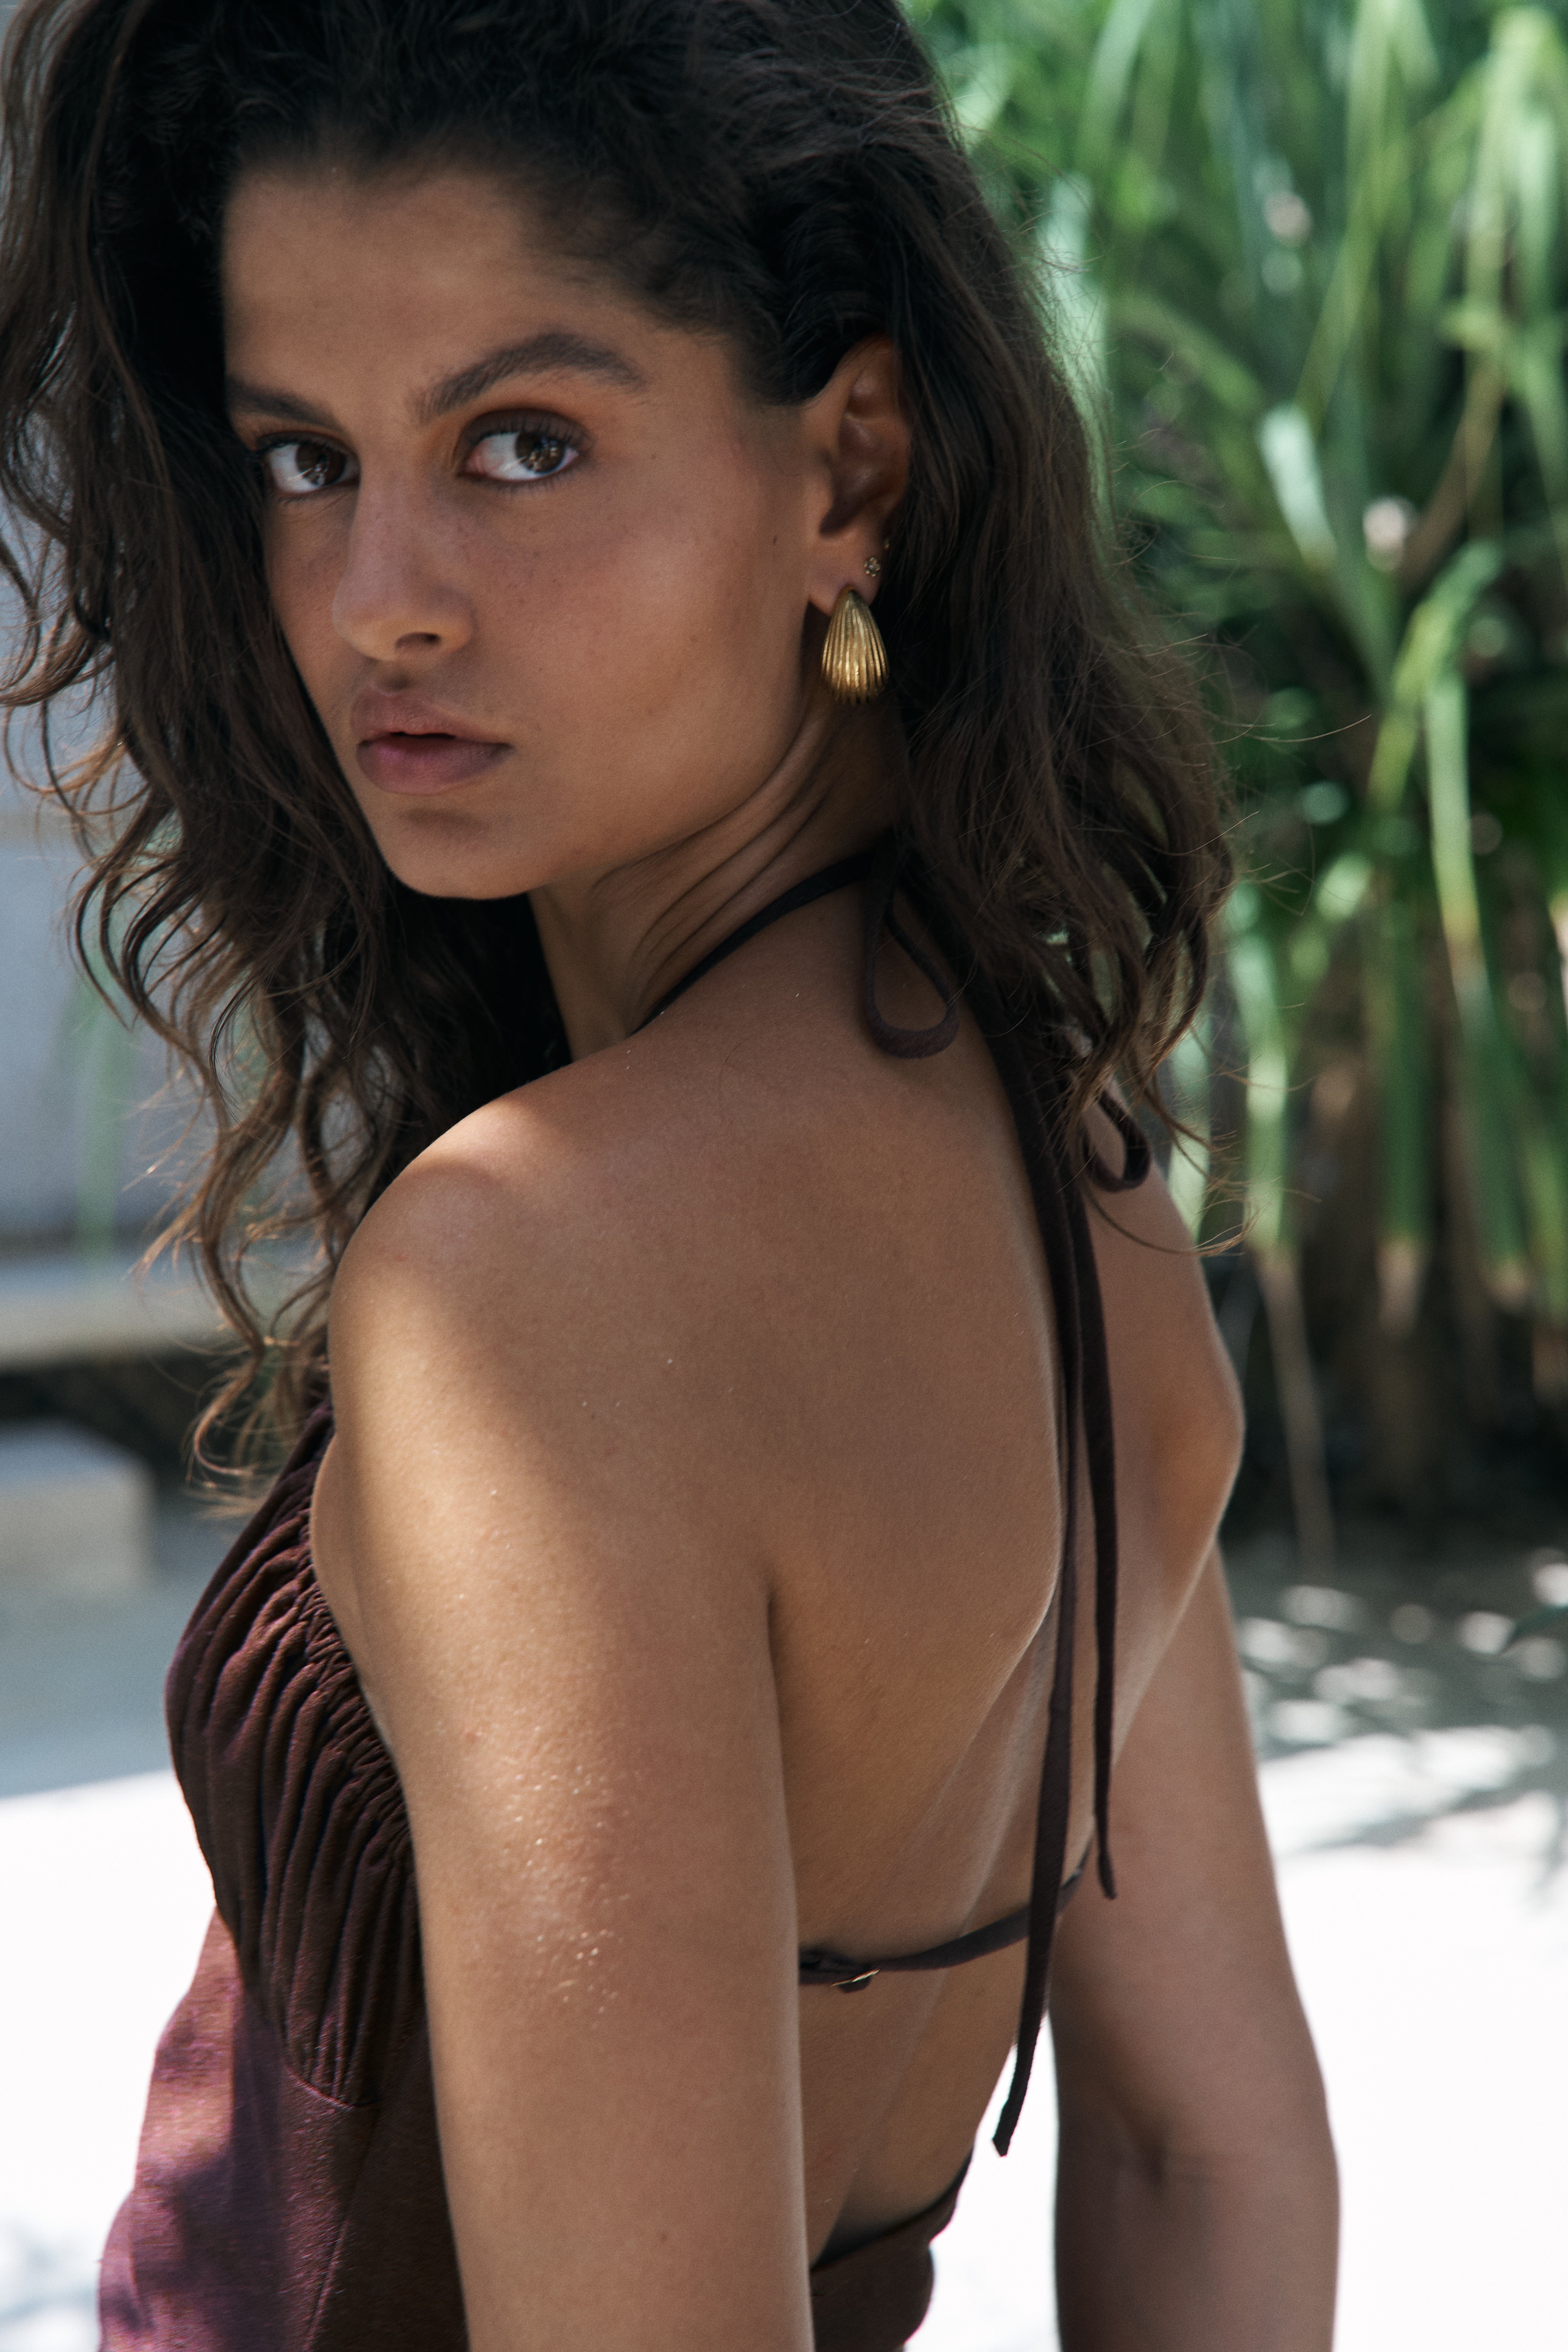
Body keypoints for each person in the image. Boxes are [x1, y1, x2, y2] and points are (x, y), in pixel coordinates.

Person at [0, 2, 1338, 2346]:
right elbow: (1203, 2156)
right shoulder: (1078, 1168)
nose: (381, 595)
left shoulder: (536, 1277)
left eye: (521, 445)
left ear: (850, 468)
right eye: (305, 459)